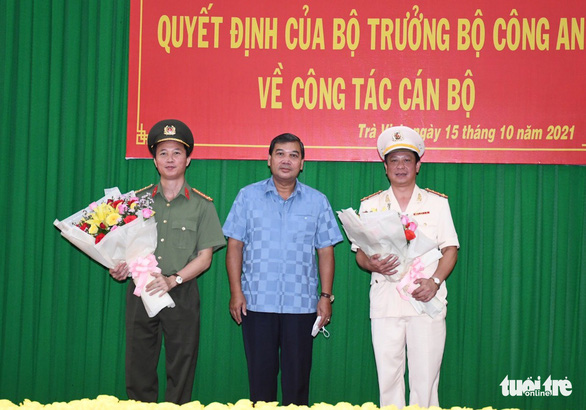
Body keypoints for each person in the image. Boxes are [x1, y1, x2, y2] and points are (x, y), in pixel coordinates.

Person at [109, 119, 226, 404]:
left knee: (182, 364)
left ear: (188, 160)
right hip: (141, 289)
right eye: (163, 153)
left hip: (181, 289)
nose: (170, 159)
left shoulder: (202, 205)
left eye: (177, 152)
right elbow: (121, 249)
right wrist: (119, 267)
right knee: (138, 364)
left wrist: (174, 280)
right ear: (154, 160)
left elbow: (205, 258)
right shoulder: (136, 202)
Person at [223, 133, 343, 405]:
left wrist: (326, 296)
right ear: (269, 160)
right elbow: (234, 247)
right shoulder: (247, 197)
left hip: (301, 306)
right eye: (280, 154)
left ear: (302, 163)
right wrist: (236, 292)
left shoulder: (317, 201)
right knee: (260, 383)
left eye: (293, 155)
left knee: (297, 384)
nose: (286, 160)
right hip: (256, 303)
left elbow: (326, 251)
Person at [353, 126, 459, 408]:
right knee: (388, 377)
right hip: (386, 300)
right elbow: (360, 254)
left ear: (418, 165)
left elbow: (450, 249)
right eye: (394, 161)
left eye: (407, 160)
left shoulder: (437, 204)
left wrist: (434, 282)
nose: (400, 166)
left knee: (426, 379)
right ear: (385, 167)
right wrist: (370, 262)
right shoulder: (371, 205)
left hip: (425, 299)